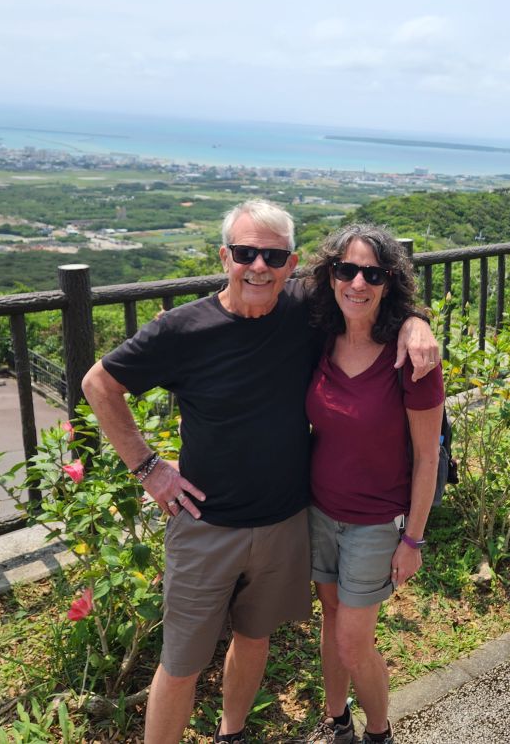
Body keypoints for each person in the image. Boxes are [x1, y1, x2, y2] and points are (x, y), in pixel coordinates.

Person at [80, 201, 439, 744]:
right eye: (245, 253)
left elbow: (373, 297)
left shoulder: (304, 309)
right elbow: (98, 384)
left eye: (272, 256)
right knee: (181, 662)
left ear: (292, 263)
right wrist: (148, 467)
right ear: (224, 256)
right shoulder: (183, 328)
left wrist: (416, 323)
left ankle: (233, 733)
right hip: (205, 523)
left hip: (285, 521)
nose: (258, 267)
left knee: (254, 637)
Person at [303, 225, 445, 744]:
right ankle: (337, 719)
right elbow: (259, 285)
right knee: (331, 619)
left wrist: (413, 540)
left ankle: (379, 733)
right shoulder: (321, 337)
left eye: (373, 274)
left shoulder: (411, 359)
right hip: (320, 511)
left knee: (352, 642)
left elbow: (427, 457)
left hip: (376, 522)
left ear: (390, 283)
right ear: (330, 275)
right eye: (346, 269)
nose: (357, 283)